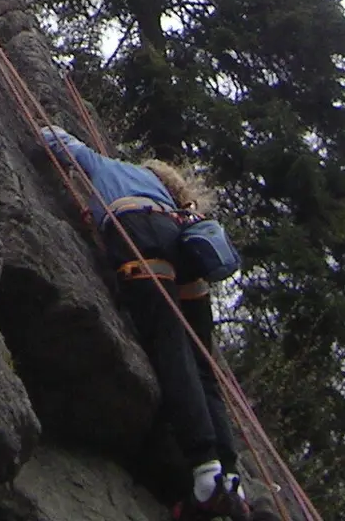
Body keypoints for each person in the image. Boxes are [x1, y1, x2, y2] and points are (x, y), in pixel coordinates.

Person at [39, 127, 275, 521]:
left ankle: (205, 470)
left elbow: (55, 140)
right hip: (183, 247)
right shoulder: (171, 199)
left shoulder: (113, 166)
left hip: (142, 237)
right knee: (204, 369)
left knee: (172, 348)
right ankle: (231, 475)